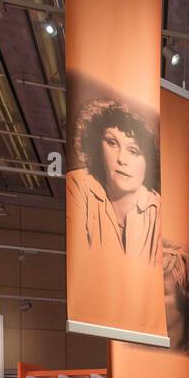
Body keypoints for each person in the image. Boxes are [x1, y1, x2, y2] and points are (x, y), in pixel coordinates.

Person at [66, 99, 161, 272]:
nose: (121, 159)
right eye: (112, 143)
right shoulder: (78, 186)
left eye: (133, 151)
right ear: (97, 146)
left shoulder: (158, 210)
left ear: (148, 162)